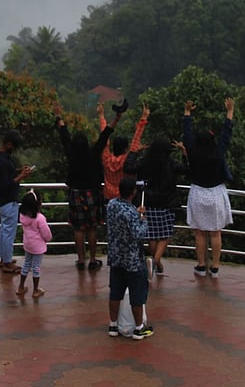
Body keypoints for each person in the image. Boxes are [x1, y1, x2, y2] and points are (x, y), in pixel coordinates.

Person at [56, 103, 116, 270]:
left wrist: (59, 116)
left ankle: (81, 259)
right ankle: (93, 259)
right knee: (92, 227)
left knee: (78, 228)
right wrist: (116, 117)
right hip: (92, 193)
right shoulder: (93, 152)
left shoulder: (71, 153)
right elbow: (105, 135)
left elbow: (64, 135)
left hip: (75, 193)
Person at [183, 97, 235, 278]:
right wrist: (229, 112)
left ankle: (201, 264)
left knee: (199, 232)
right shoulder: (218, 152)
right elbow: (226, 136)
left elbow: (187, 135)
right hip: (216, 193)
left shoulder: (192, 152)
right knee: (215, 232)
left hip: (197, 192)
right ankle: (215, 267)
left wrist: (187, 113)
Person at [105, 176, 152, 340]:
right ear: (133, 192)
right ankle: (139, 328)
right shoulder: (132, 212)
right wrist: (143, 219)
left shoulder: (111, 205)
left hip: (115, 256)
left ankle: (112, 325)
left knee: (115, 292)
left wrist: (135, 213)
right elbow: (138, 234)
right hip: (132, 260)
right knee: (137, 294)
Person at [137, 135, 184, 278]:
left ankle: (155, 262)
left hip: (149, 202)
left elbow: (130, 166)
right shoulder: (171, 163)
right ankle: (156, 260)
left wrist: (136, 152)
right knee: (165, 234)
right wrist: (184, 153)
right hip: (167, 203)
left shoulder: (146, 162)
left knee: (152, 234)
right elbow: (187, 170)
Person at [0, 129, 32, 274]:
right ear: (9, 144)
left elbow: (7, 175)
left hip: (4, 201)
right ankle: (7, 262)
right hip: (8, 200)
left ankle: (4, 258)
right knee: (9, 232)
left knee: (4, 231)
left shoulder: (0, 156)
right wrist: (21, 176)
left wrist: (18, 170)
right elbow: (5, 184)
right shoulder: (1, 161)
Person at [100, 101, 148, 198]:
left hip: (109, 197)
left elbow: (104, 138)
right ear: (126, 148)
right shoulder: (126, 160)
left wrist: (101, 115)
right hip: (126, 197)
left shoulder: (106, 159)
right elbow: (136, 139)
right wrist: (144, 117)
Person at [17, 190, 52, 298]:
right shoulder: (39, 218)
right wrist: (48, 239)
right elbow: (46, 233)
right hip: (38, 247)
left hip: (28, 245)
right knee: (36, 267)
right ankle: (35, 290)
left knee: (26, 264)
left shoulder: (23, 216)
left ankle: (21, 287)